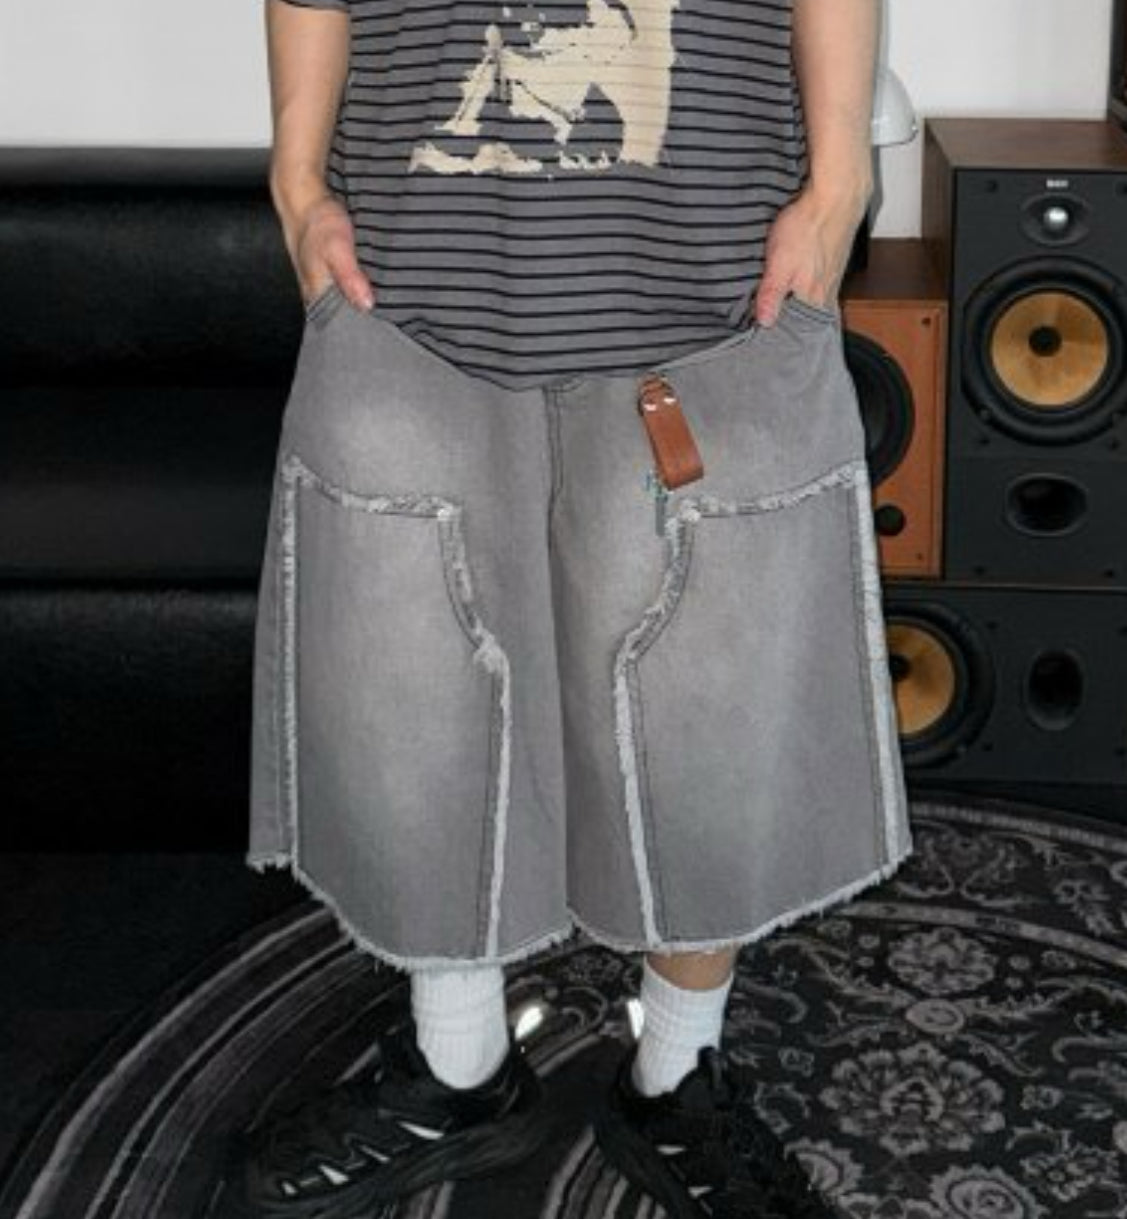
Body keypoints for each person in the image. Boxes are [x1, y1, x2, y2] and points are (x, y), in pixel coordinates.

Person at [235, 0, 913, 1214]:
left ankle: (676, 1071)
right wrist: (295, 185)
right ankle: (455, 1063)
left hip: (710, 297)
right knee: (408, 695)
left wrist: (836, 185)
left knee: (707, 710)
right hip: (408, 293)